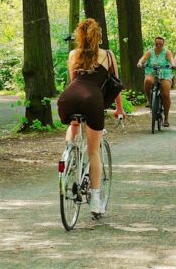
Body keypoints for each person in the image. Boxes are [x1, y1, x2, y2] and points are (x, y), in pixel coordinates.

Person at [57, 19, 125, 216]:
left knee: (74, 123)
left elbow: (73, 81)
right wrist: (119, 108)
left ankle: (71, 153)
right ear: (99, 36)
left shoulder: (73, 54)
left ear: (79, 35)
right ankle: (95, 201)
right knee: (94, 152)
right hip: (92, 99)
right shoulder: (108, 56)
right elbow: (115, 85)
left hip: (69, 97)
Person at [137, 36, 175, 127]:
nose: (158, 45)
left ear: (163, 44)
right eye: (156, 43)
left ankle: (166, 118)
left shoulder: (167, 52)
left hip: (164, 74)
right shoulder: (150, 52)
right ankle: (149, 100)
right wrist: (140, 63)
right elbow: (143, 59)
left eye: (160, 44)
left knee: (165, 94)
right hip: (152, 72)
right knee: (148, 80)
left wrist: (173, 64)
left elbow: (171, 60)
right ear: (154, 43)